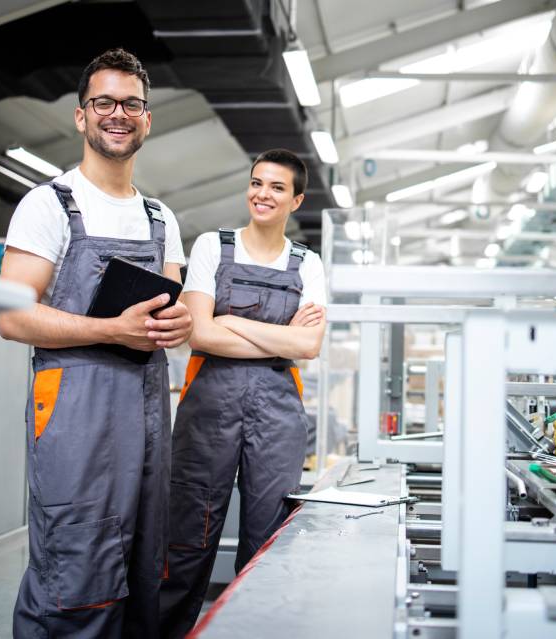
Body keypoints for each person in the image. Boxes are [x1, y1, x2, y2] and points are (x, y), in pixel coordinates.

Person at [0, 48, 191, 638]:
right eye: (103, 102)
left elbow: (173, 312)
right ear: (81, 116)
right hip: (75, 410)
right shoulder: (48, 205)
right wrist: (111, 329)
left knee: (142, 564)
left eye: (132, 104)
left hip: (148, 410)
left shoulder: (162, 218)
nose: (118, 114)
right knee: (74, 570)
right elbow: (11, 317)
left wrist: (177, 327)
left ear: (147, 119)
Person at [160, 148, 327, 637]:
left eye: (277, 187)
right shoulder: (214, 245)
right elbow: (202, 336)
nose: (262, 194)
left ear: (296, 200)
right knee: (188, 539)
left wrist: (231, 319)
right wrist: (278, 337)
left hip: (277, 415)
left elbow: (309, 344)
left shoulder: (308, 262)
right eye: (256, 183)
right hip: (209, 407)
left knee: (267, 541)